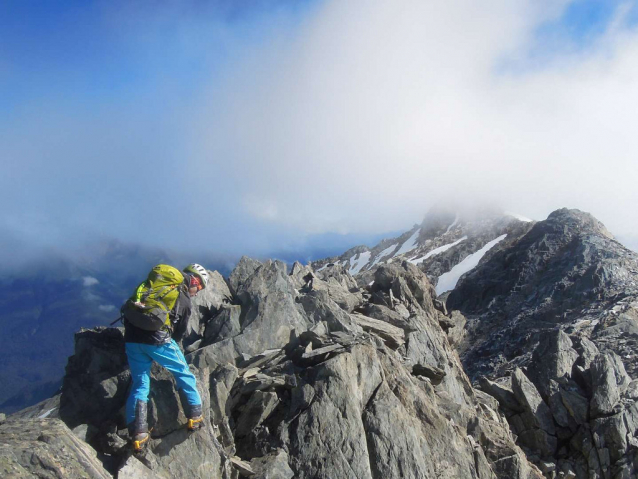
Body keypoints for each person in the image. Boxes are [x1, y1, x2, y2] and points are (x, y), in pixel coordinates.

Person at [123, 263, 210, 452]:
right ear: (194, 280)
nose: (198, 291)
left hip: (131, 339)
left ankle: (138, 434)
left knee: (140, 383)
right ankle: (195, 415)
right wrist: (172, 344)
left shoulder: (156, 285)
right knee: (183, 373)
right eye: (200, 286)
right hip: (158, 341)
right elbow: (180, 330)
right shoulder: (183, 296)